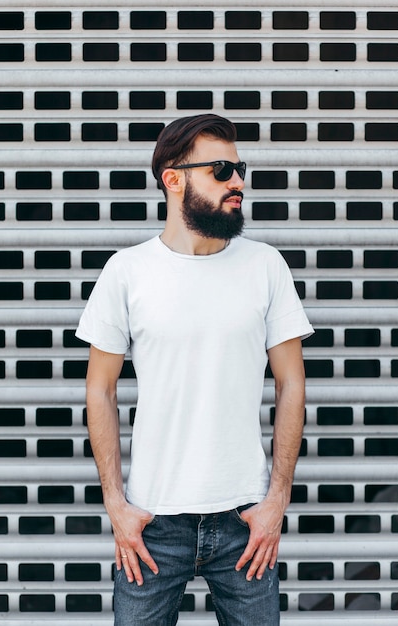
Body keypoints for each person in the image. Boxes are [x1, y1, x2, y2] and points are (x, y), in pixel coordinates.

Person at [76, 113, 313, 625]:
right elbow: (100, 391)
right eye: (222, 170)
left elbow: (292, 383)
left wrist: (277, 500)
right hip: (152, 521)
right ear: (174, 178)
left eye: (240, 168)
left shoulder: (265, 265)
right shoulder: (127, 272)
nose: (239, 183)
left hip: (245, 521)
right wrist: (116, 505)